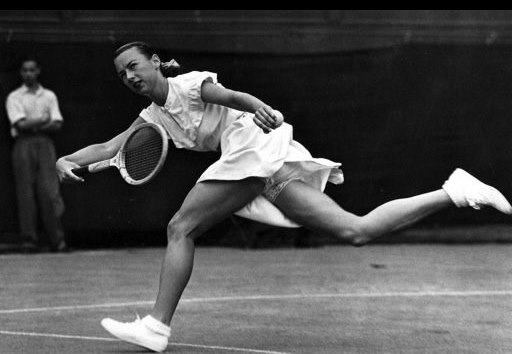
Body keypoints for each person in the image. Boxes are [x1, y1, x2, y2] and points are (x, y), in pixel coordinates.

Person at [56, 42, 512, 352]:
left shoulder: (189, 84)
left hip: (254, 146)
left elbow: (231, 95)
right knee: (355, 230)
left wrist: (259, 108)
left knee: (180, 227)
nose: (129, 76)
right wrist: (66, 160)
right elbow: (108, 148)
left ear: (154, 62)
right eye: (121, 74)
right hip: (264, 164)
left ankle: (156, 326)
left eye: (134, 66)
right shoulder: (153, 116)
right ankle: (456, 192)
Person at [6, 57, 68, 253]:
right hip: (23, 145)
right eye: (25, 70)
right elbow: (20, 124)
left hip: (45, 145)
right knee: (26, 193)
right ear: (21, 72)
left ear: (38, 71)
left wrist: (32, 124)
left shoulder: (48, 95)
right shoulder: (14, 97)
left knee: (50, 191)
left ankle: (57, 240)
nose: (29, 74)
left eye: (32, 70)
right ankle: (29, 240)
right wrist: (42, 120)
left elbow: (57, 123)